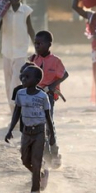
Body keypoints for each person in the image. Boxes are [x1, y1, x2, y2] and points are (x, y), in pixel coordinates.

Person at [5, 65, 56, 193]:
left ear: (37, 79)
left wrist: (51, 135)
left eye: (27, 77)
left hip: (39, 132)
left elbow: (48, 116)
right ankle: (40, 173)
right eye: (22, 76)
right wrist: (10, 129)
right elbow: (17, 112)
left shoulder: (42, 96)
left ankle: (35, 191)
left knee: (36, 161)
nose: (23, 78)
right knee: (25, 160)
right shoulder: (20, 93)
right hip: (26, 132)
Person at [29, 31, 69, 168]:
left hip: (48, 97)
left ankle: (54, 152)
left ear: (49, 44)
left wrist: (52, 86)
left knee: (48, 124)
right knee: (37, 125)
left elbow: (65, 74)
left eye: (40, 43)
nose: (37, 45)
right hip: (34, 96)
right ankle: (45, 154)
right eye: (35, 43)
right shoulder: (33, 60)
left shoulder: (55, 61)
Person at [0, 0, 35, 112]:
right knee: (8, 81)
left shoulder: (25, 11)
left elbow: (30, 29)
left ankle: (16, 108)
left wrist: (37, 45)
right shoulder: (4, 11)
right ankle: (12, 109)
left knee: (16, 80)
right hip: (7, 51)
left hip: (20, 51)